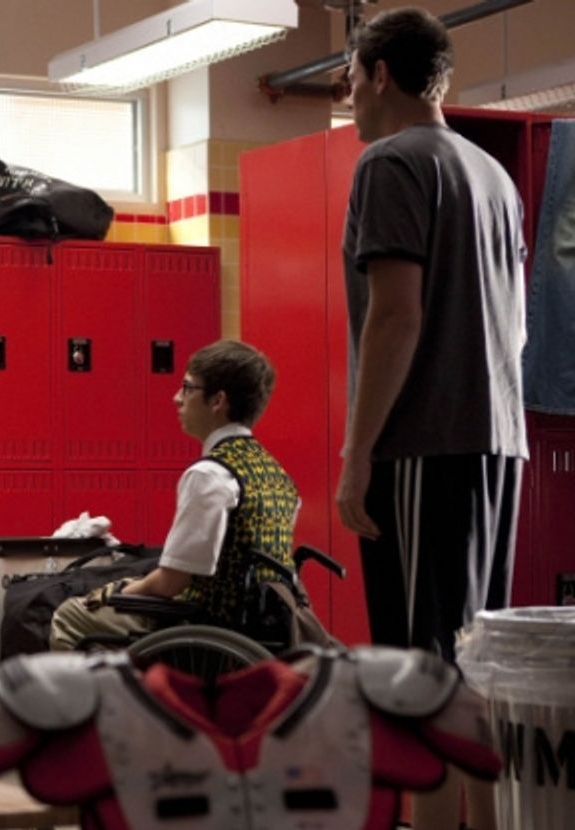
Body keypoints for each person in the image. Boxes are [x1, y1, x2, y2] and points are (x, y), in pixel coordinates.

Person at [335, 9, 528, 830]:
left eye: (349, 77)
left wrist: (357, 453)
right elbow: (517, 330)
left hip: (423, 443)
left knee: (418, 667)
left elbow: (396, 317)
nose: (347, 95)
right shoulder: (493, 176)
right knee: (473, 661)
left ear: (381, 73)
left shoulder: (392, 162)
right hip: (497, 442)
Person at [49, 339, 299, 650]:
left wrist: (114, 593)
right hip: (260, 627)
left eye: (187, 388)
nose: (176, 398)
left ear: (217, 401)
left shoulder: (210, 475)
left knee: (70, 615)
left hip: (207, 627)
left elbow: (170, 583)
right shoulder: (277, 476)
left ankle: (104, 697)